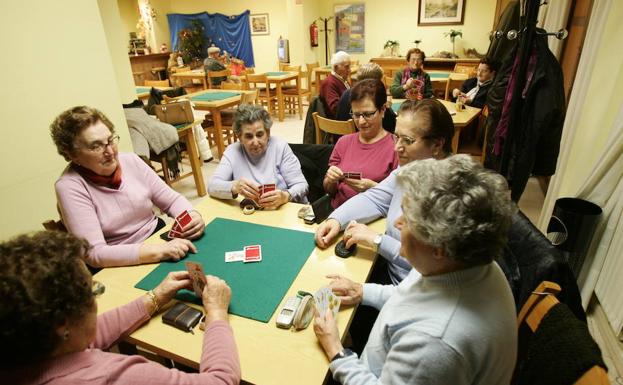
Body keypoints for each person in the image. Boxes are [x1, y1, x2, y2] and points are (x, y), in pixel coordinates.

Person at [313, 155, 518, 385]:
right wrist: (363, 291)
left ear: (438, 246)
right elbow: (413, 292)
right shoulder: (461, 261)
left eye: (408, 219)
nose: (397, 223)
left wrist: (337, 352)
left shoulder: (436, 342)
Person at [0, 231, 240, 385]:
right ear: (63, 324)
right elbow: (221, 381)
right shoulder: (113, 376)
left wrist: (155, 297)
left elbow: (89, 334)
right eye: (92, 290)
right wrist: (217, 313)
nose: (95, 297)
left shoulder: (26, 350)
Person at [317, 98, 453, 284]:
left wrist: (377, 240)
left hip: (411, 291)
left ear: (437, 145)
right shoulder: (410, 166)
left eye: (408, 140)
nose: (397, 147)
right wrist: (336, 220)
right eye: (397, 137)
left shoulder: (452, 196)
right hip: (390, 271)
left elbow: (427, 264)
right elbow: (375, 199)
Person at [51, 106, 204, 268]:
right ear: (71, 154)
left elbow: (172, 201)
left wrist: (192, 215)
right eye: (96, 146)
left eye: (110, 140)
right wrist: (158, 251)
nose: (110, 151)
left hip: (156, 238)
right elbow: (95, 253)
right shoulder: (69, 187)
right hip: (118, 260)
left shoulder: (130, 160)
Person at [209, 104, 308, 207]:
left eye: (260, 135)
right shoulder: (232, 151)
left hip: (281, 210)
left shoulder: (280, 147)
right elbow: (212, 186)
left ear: (268, 133)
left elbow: (301, 185)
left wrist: (286, 196)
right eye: (248, 136)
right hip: (250, 213)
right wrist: (234, 186)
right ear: (239, 137)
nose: (255, 142)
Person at [324, 79, 399, 209]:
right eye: (356, 115)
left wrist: (373, 188)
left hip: (373, 217)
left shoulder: (396, 147)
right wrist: (330, 180)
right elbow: (329, 191)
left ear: (382, 110)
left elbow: (401, 199)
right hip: (337, 212)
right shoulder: (343, 142)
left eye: (368, 114)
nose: (362, 122)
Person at [335, 62, 397, 133]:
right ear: (375, 82)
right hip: (365, 140)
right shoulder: (373, 96)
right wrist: (388, 107)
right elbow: (392, 124)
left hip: (340, 137)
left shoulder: (346, 93)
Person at [320, 51, 351, 119]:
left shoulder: (343, 80)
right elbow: (335, 109)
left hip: (347, 117)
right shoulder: (329, 83)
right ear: (336, 67)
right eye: (347, 67)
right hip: (338, 123)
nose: (349, 70)